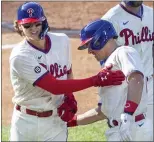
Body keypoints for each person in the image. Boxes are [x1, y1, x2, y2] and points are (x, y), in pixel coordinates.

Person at [9, 2, 125, 141]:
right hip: (26, 123)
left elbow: (67, 72)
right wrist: (95, 80)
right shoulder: (20, 56)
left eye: (37, 24)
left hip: (55, 121)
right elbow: (54, 86)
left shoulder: (62, 41)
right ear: (19, 26)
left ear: (44, 21)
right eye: (27, 26)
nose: (33, 29)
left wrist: (70, 97)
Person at [67, 19, 153, 141]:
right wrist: (71, 122)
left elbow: (136, 79)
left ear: (99, 38)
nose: (89, 51)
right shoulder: (108, 65)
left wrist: (128, 114)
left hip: (133, 128)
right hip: (120, 129)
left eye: (89, 45)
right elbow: (102, 112)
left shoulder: (124, 52)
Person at [101, 0, 153, 129]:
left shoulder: (151, 14)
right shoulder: (110, 20)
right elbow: (105, 59)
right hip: (127, 89)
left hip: (151, 85)